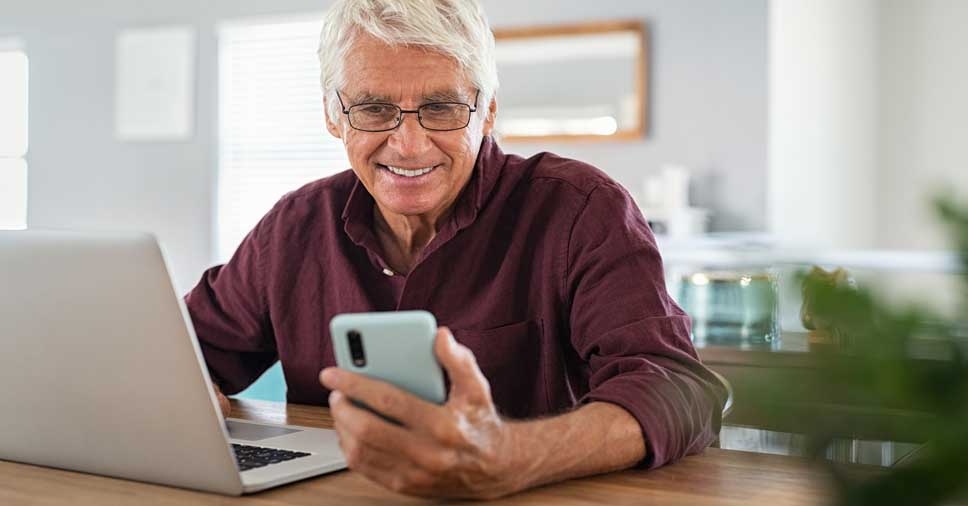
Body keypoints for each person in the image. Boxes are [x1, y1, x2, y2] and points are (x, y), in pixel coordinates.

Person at [187, 0, 726, 499]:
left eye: (442, 107)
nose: (409, 144)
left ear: (488, 111)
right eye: (373, 109)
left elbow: (679, 389)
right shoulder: (293, 227)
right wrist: (185, 395)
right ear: (333, 115)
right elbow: (183, 352)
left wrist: (511, 455)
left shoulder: (581, 210)